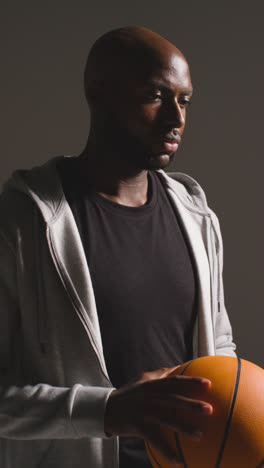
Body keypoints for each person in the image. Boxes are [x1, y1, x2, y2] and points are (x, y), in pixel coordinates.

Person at [0, 26, 236, 468]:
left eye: (184, 100)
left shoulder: (197, 217)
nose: (176, 118)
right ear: (98, 93)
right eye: (155, 95)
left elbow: (218, 347)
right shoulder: (23, 221)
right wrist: (106, 411)